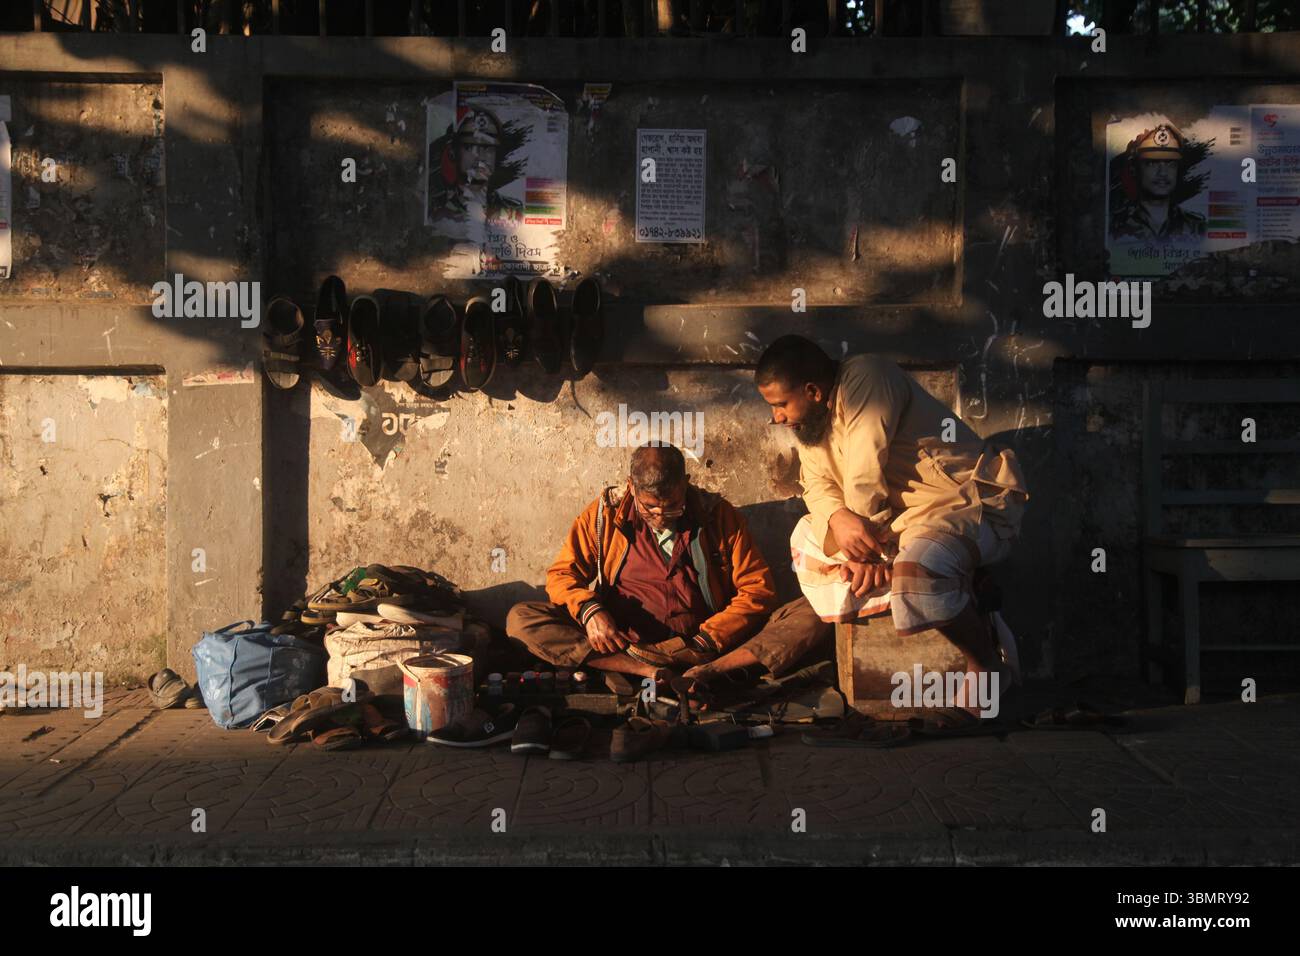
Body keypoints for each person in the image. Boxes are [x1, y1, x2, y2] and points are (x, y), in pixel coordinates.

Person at [754, 335, 1030, 718]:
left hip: (961, 507)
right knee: (804, 536)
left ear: (813, 391)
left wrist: (865, 549)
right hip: (894, 523)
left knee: (918, 572)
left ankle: (986, 665)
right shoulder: (812, 426)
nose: (777, 417)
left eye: (780, 405)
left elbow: (865, 477)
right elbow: (816, 486)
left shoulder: (868, 376)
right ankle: (931, 583)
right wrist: (839, 519)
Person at [506, 443, 830, 689]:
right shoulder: (604, 515)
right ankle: (648, 674)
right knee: (522, 618)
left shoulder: (718, 515)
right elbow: (562, 576)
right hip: (629, 648)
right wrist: (590, 612)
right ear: (632, 488)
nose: (661, 516)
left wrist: (709, 639)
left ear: (686, 484)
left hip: (705, 647)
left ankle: (709, 673)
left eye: (672, 505)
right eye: (650, 508)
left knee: (816, 610)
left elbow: (758, 589)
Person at [1110, 123, 1207, 241]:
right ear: (1134, 169)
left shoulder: (1197, 227)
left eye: (1171, 164)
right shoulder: (1114, 224)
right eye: (1152, 163)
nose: (1163, 173)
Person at [427, 107, 524, 226]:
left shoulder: (513, 211)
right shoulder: (434, 209)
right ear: (453, 152)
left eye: (488, 148)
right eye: (469, 147)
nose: (480, 156)